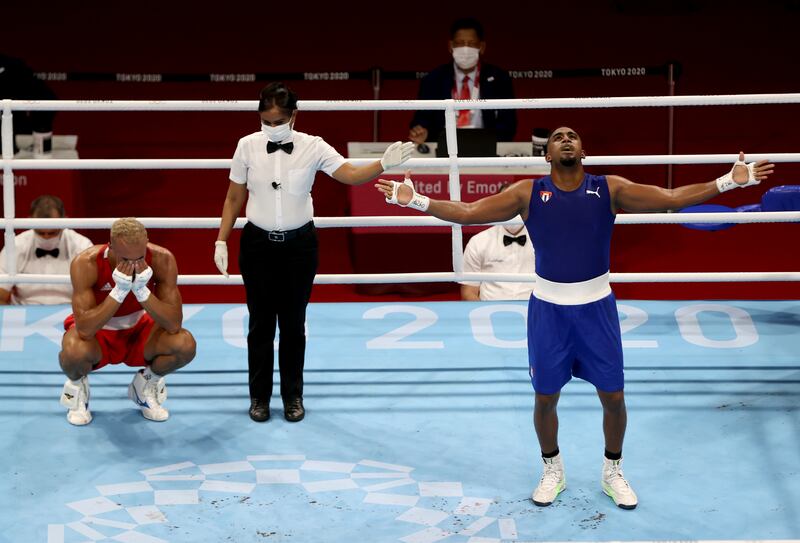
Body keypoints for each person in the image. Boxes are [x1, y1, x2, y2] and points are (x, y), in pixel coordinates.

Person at [376, 127, 774, 510]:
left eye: (573, 136)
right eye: (557, 138)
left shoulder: (609, 188)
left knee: (614, 397)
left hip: (597, 308)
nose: (566, 139)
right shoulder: (527, 192)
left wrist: (728, 182)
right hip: (548, 311)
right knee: (546, 396)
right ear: (547, 155)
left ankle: (612, 471)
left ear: (582, 152)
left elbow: (669, 197)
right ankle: (552, 468)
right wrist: (417, 200)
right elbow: (467, 212)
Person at [213, 82, 414, 424]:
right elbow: (234, 197)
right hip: (257, 246)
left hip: (299, 248)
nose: (271, 127)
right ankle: (258, 398)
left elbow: (349, 174)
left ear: (295, 116)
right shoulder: (246, 146)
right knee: (260, 324)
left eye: (278, 121)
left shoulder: (314, 146)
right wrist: (221, 239)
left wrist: (382, 163)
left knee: (293, 324)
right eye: (265, 120)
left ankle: (293, 396)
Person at [58, 217, 196, 426]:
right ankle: (78, 389)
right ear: (110, 246)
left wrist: (142, 291)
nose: (132, 266)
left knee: (184, 344)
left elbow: (173, 324)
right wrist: (119, 291)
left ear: (147, 241)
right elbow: (85, 329)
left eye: (139, 257)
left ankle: (145, 384)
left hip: (140, 331)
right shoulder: (86, 263)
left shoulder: (162, 259)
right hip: (99, 334)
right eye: (125, 259)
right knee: (73, 351)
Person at [408, 17, 517, 148]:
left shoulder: (499, 78)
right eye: (460, 43)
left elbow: (509, 124)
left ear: (481, 47)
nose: (465, 49)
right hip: (444, 147)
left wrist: (489, 142)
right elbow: (421, 119)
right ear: (450, 46)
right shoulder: (433, 79)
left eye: (471, 43)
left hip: (486, 147)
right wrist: (421, 131)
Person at [0, 195, 92, 305]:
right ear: (29, 222)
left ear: (65, 222)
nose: (46, 237)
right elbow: (1, 296)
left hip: (72, 313)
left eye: (52, 232)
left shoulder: (82, 246)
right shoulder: (16, 245)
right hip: (24, 312)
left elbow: (93, 295)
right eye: (40, 232)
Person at [460, 183, 535, 301]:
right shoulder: (478, 242)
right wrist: (484, 316)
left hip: (533, 312)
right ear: (497, 206)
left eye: (515, 203)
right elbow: (469, 291)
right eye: (505, 204)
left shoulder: (543, 240)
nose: (511, 209)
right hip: (491, 313)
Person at [0, 53, 57, 154]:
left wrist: (37, 124)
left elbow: (47, 96)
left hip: (17, 111)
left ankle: (41, 147)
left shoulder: (15, 66)